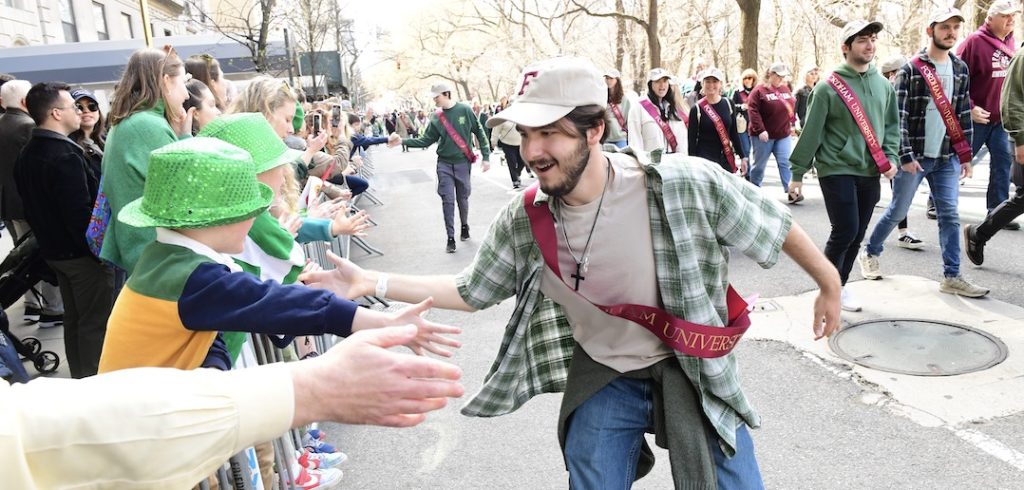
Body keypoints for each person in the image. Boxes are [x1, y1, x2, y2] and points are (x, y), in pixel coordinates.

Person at [301, 56, 842, 489]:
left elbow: (772, 223)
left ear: (595, 130)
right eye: (523, 134)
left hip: (690, 366)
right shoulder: (526, 216)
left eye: (550, 133)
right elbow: (473, 290)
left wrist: (828, 283)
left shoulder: (683, 184)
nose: (532, 151)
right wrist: (371, 283)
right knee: (592, 475)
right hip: (605, 371)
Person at [97, 137, 458, 375]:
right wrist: (387, 324)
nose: (256, 217)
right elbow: (274, 302)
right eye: (249, 209)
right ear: (214, 218)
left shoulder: (167, 259)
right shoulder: (193, 276)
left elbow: (215, 339)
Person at [3, 325, 464, 489]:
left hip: (183, 419)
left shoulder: (190, 262)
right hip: (174, 430)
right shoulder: (188, 269)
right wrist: (314, 389)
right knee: (256, 460)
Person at [859, 8, 988, 298]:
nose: (951, 32)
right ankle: (869, 250)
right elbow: (898, 118)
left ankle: (952, 275)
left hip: (946, 158)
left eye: (955, 27)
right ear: (930, 30)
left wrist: (965, 155)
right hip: (914, 157)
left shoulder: (960, 69)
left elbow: (962, 114)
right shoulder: (911, 70)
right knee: (898, 211)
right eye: (944, 27)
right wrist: (904, 155)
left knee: (950, 216)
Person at [789, 20, 900, 312]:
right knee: (845, 229)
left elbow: (892, 127)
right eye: (862, 39)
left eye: (873, 39)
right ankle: (828, 289)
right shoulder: (827, 88)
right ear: (846, 47)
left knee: (858, 232)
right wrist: (797, 173)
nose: (869, 45)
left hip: (869, 170)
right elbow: (811, 131)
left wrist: (891, 157)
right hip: (835, 167)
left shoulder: (883, 85)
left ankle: (840, 286)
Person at [14, 82, 113, 379]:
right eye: (73, 106)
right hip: (81, 258)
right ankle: (96, 382)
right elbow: (80, 217)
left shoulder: (30, 151)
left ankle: (83, 379)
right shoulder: (64, 155)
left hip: (56, 253)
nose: (78, 112)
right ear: (56, 113)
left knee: (76, 320)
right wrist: (100, 255)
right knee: (94, 323)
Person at [101, 45, 193, 277]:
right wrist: (184, 138)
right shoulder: (147, 125)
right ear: (165, 80)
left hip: (141, 249)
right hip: (157, 253)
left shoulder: (129, 122)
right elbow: (187, 188)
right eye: (182, 82)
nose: (186, 94)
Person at [391, 82, 491, 253]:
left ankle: (464, 225)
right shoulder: (436, 117)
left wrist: (486, 157)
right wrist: (403, 141)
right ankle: (450, 238)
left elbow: (479, 131)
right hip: (444, 163)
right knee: (448, 200)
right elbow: (425, 140)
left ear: (446, 94)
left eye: (436, 97)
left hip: (462, 163)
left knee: (463, 198)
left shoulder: (464, 110)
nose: (434, 101)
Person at [0, 79, 64, 326]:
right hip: (29, 205)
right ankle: (52, 308)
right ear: (26, 101)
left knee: (21, 258)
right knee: (40, 257)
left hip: (9, 204)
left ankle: (31, 304)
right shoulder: (29, 127)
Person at [957, 0, 1020, 229]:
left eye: (1013, 16)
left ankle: (997, 212)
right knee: (960, 160)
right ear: (990, 19)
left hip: (1001, 119)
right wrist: (969, 107)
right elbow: (956, 79)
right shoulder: (973, 42)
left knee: (1003, 162)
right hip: (976, 117)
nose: (1010, 20)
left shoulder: (1012, 43)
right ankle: (936, 201)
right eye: (1005, 16)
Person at [964, 27, 1024, 266]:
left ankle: (979, 234)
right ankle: (978, 235)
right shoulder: (1021, 57)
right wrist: (1020, 140)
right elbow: (1011, 101)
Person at [877, 55, 926, 250]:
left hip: (895, 148)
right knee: (870, 193)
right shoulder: (883, 89)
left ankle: (903, 232)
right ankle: (862, 233)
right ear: (892, 74)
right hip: (878, 147)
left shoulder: (907, 89)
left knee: (899, 193)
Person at [748, 62, 798, 201]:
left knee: (785, 162)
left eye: (783, 77)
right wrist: (760, 130)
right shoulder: (758, 91)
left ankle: (790, 191)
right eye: (779, 76)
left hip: (783, 134)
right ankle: (754, 190)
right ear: (771, 74)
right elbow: (753, 111)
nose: (781, 79)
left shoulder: (785, 89)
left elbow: (789, 108)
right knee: (759, 165)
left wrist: (792, 124)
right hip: (764, 136)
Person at [687, 67, 747, 175]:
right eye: (708, 81)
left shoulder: (729, 104)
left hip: (725, 159)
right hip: (705, 162)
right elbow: (691, 141)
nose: (711, 85)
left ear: (720, 84)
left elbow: (734, 133)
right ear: (702, 84)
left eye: (715, 81)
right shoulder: (696, 110)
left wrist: (743, 157)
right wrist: (693, 165)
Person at [627, 68, 687, 158]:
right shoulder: (638, 108)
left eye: (665, 81)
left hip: (674, 163)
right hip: (651, 164)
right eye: (657, 81)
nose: (662, 85)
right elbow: (635, 143)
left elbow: (682, 141)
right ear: (650, 84)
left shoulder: (673, 108)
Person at [68, 89, 106, 177]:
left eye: (92, 106)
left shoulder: (108, 139)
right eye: (79, 107)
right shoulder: (70, 148)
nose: (86, 111)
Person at [490, 102, 527, 189]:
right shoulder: (503, 119)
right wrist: (493, 141)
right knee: (512, 162)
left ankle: (517, 174)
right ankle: (515, 181)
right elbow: (496, 131)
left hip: (520, 143)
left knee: (523, 161)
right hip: (507, 144)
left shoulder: (521, 117)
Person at [732, 68, 758, 161]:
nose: (747, 80)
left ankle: (751, 171)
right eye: (745, 78)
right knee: (746, 149)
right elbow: (731, 106)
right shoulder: (737, 92)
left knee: (755, 150)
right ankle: (747, 173)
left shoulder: (757, 92)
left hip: (755, 124)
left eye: (750, 78)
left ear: (754, 79)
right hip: (742, 123)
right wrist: (741, 107)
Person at [603, 69, 631, 149]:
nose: (608, 81)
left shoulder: (624, 100)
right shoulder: (602, 97)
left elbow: (628, 120)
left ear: (617, 80)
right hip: (605, 138)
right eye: (607, 78)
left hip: (620, 138)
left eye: (611, 78)